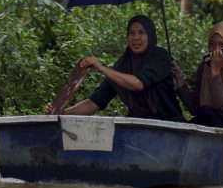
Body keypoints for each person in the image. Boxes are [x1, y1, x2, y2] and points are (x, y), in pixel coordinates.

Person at [45, 15, 185, 121]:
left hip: (170, 125)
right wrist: (59, 113)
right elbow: (93, 103)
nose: (136, 37)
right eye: (131, 33)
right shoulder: (122, 66)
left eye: (142, 32)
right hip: (140, 127)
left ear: (151, 35)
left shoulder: (160, 56)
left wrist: (101, 67)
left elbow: (138, 84)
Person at [172, 22, 223, 130]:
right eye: (212, 44)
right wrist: (180, 81)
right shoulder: (205, 66)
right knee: (175, 120)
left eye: (222, 45)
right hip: (210, 120)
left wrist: (215, 71)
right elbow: (194, 108)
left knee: (207, 112)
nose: (216, 50)